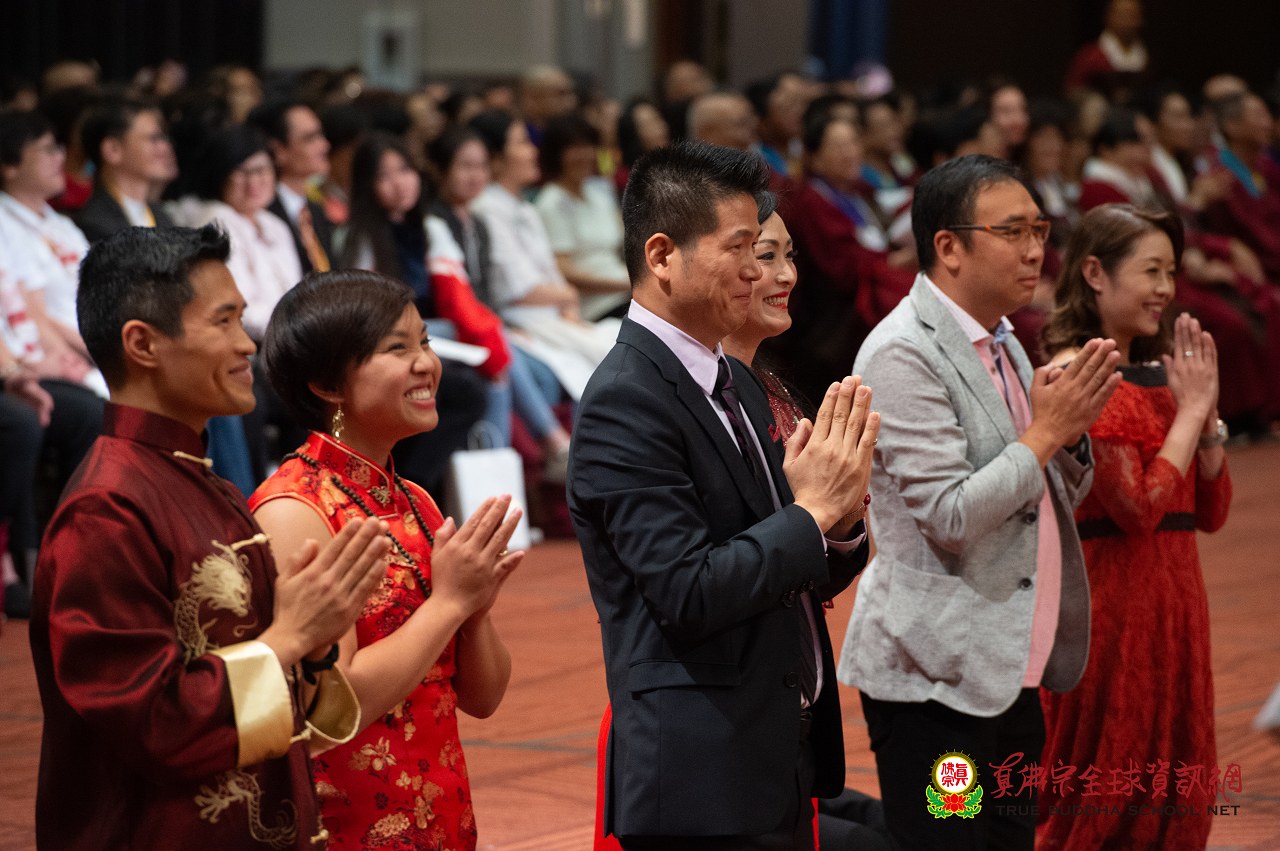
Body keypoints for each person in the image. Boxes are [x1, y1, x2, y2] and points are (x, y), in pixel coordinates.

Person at [29, 224, 391, 849]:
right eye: (223, 321)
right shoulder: (104, 510)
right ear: (143, 343)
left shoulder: (206, 484)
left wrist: (315, 643)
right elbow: (153, 723)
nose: (246, 343)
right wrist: (291, 636)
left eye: (241, 319)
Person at [569, 139, 877, 849]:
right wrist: (811, 513)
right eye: (740, 248)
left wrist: (839, 524)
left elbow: (788, 570)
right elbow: (688, 590)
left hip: (773, 749)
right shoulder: (626, 399)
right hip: (701, 771)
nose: (758, 270)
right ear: (661, 255)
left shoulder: (732, 381)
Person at [838, 154, 1121, 850]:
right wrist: (1047, 431)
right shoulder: (902, 352)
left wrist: (1070, 436)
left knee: (1008, 839)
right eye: (1013, 231)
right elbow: (951, 515)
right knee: (951, 842)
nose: (1035, 249)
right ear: (949, 246)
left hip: (1007, 658)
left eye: (1040, 230)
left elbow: (1043, 484)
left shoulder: (1002, 337)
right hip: (937, 675)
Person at [250, 269, 522, 850]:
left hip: (441, 814)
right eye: (397, 349)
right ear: (328, 384)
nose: (426, 363)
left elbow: (483, 698)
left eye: (424, 341)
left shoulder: (414, 500)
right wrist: (450, 604)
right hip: (348, 826)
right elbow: (333, 708)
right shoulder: (295, 509)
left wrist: (474, 608)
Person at [1038, 204, 1231, 848]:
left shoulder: (1164, 376)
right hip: (1114, 607)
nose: (1166, 289)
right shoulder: (1079, 376)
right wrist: (1192, 412)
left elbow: (1211, 512)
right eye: (1151, 271)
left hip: (1176, 600)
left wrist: (1206, 423)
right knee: (1106, 782)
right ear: (1095, 273)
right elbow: (1139, 508)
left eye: (1171, 272)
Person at [533, 113, 631, 320]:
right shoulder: (551, 202)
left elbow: (625, 242)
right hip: (594, 306)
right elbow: (564, 271)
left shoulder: (599, 191)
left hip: (627, 292)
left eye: (588, 146)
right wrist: (624, 284)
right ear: (557, 154)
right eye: (574, 148)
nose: (584, 154)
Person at [249, 98, 336, 275]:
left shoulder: (314, 210)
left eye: (321, 135)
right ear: (279, 150)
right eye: (310, 139)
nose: (324, 146)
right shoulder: (261, 213)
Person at [73, 97, 176, 242]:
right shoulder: (95, 225)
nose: (165, 147)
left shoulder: (161, 216)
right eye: (154, 139)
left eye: (163, 138)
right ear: (113, 150)